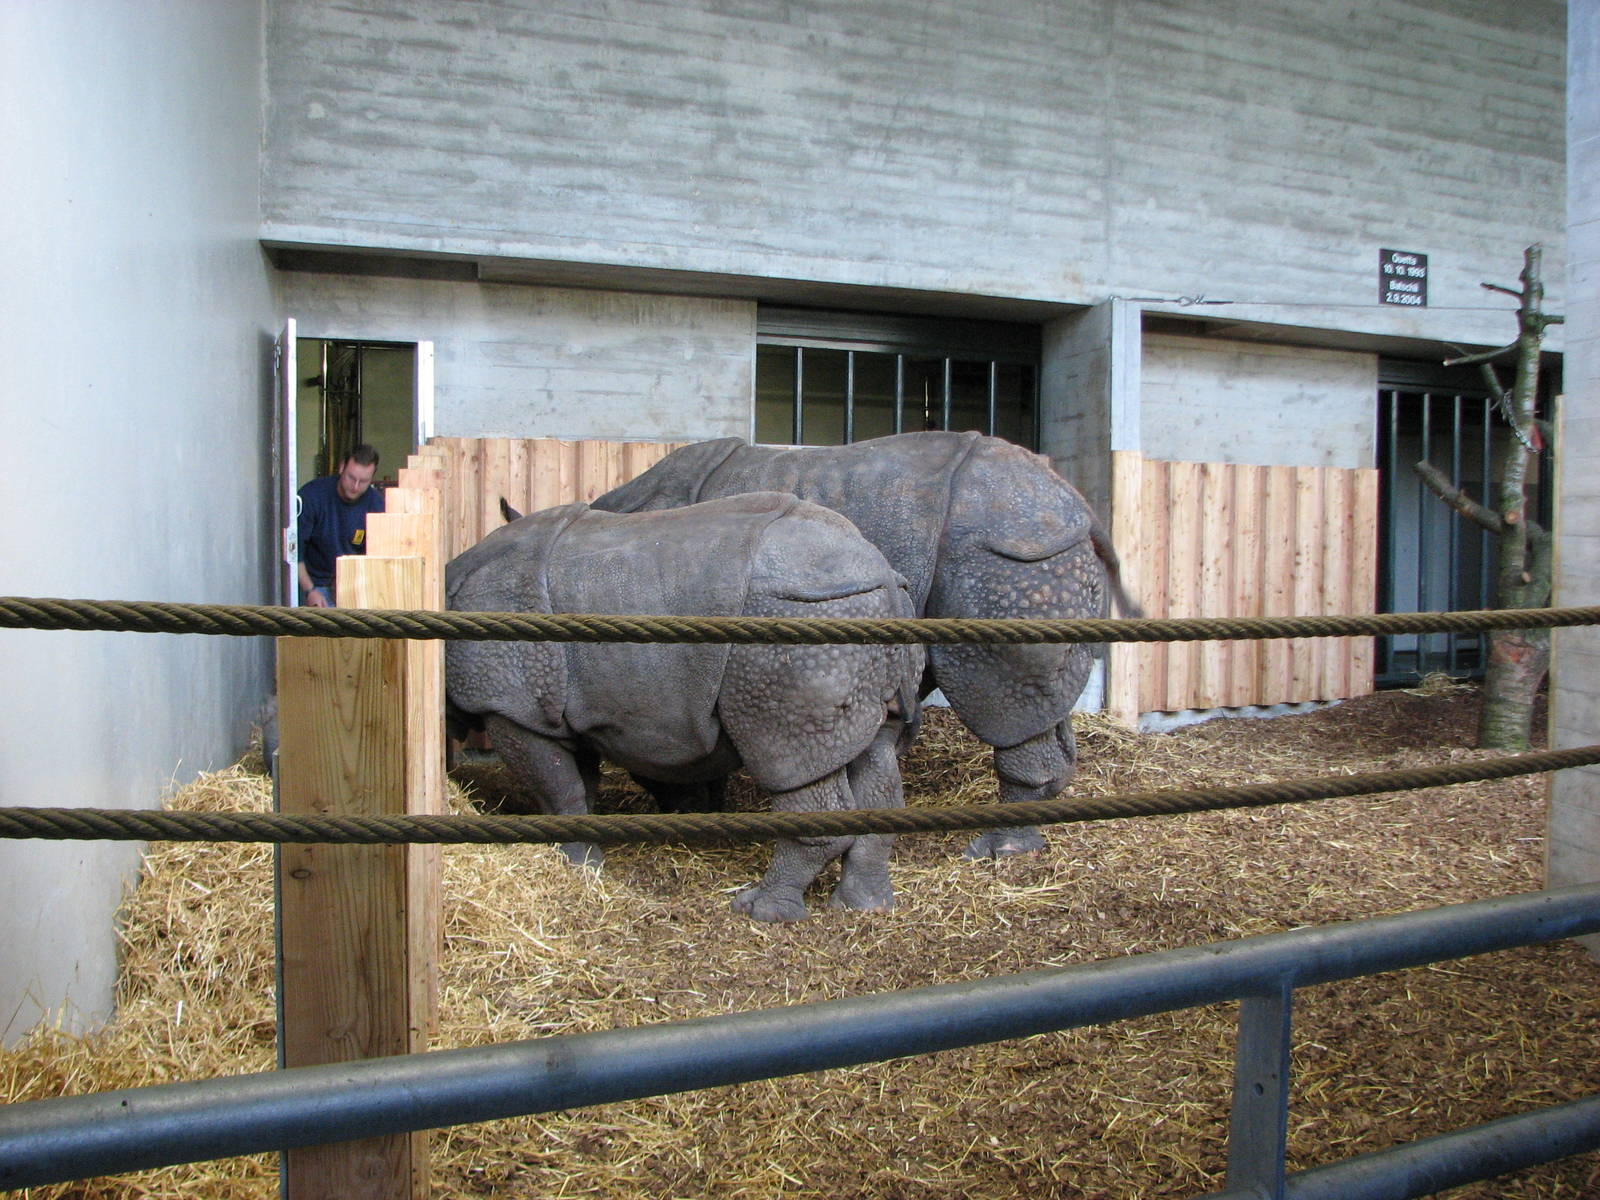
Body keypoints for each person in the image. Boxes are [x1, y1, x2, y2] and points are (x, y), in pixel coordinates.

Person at [296, 444, 385, 607]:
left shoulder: (376, 505)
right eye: (351, 478)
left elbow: (379, 557)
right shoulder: (311, 496)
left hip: (354, 585)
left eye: (363, 481)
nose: (356, 486)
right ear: (342, 467)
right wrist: (310, 591)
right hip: (313, 583)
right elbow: (294, 552)